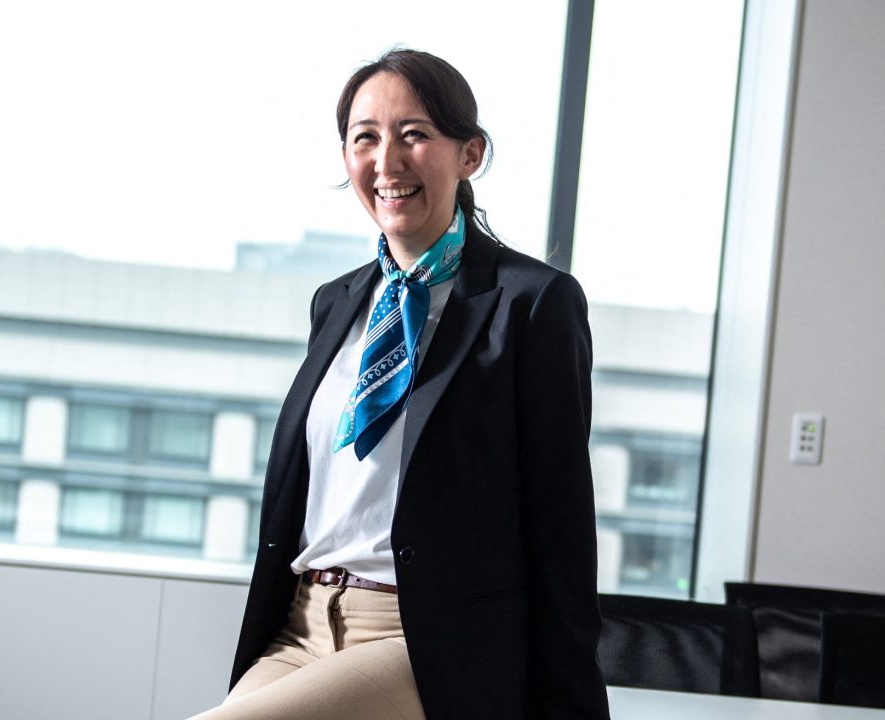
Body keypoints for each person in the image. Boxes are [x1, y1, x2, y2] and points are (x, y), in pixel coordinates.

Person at [191, 48, 609, 720]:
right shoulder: (337, 302)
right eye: (366, 137)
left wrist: (572, 704)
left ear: (469, 155)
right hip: (299, 625)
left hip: (421, 635)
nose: (387, 160)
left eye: (414, 134)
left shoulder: (531, 304)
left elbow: (560, 520)